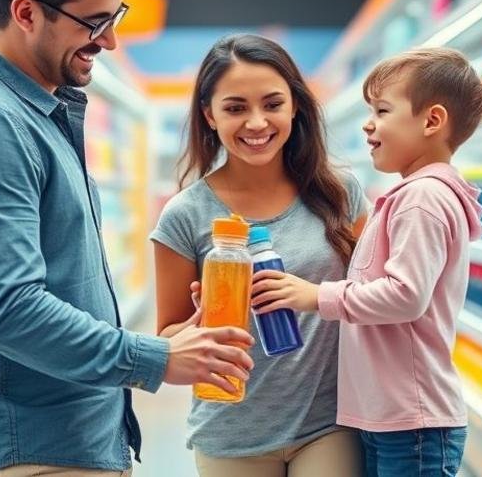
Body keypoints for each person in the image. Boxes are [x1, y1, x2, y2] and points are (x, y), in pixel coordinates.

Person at [0, 0, 254, 477]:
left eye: (115, 15)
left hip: (67, 443)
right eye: (96, 22)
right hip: (34, 450)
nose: (113, 40)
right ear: (25, 13)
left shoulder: (39, 116)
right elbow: (11, 310)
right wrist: (156, 357)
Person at [252, 48, 482, 477]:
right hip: (391, 417)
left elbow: (406, 296)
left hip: (412, 424)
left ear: (432, 121)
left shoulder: (422, 198)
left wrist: (317, 296)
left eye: (382, 110)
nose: (367, 122)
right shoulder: (410, 194)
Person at [151, 34, 368, 477]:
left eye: (272, 104)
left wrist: (315, 294)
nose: (256, 123)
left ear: (295, 107)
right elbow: (168, 337)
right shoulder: (184, 215)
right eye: (235, 108)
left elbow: (370, 294)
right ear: (209, 115)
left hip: (330, 422)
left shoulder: (339, 194)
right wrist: (199, 324)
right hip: (232, 432)